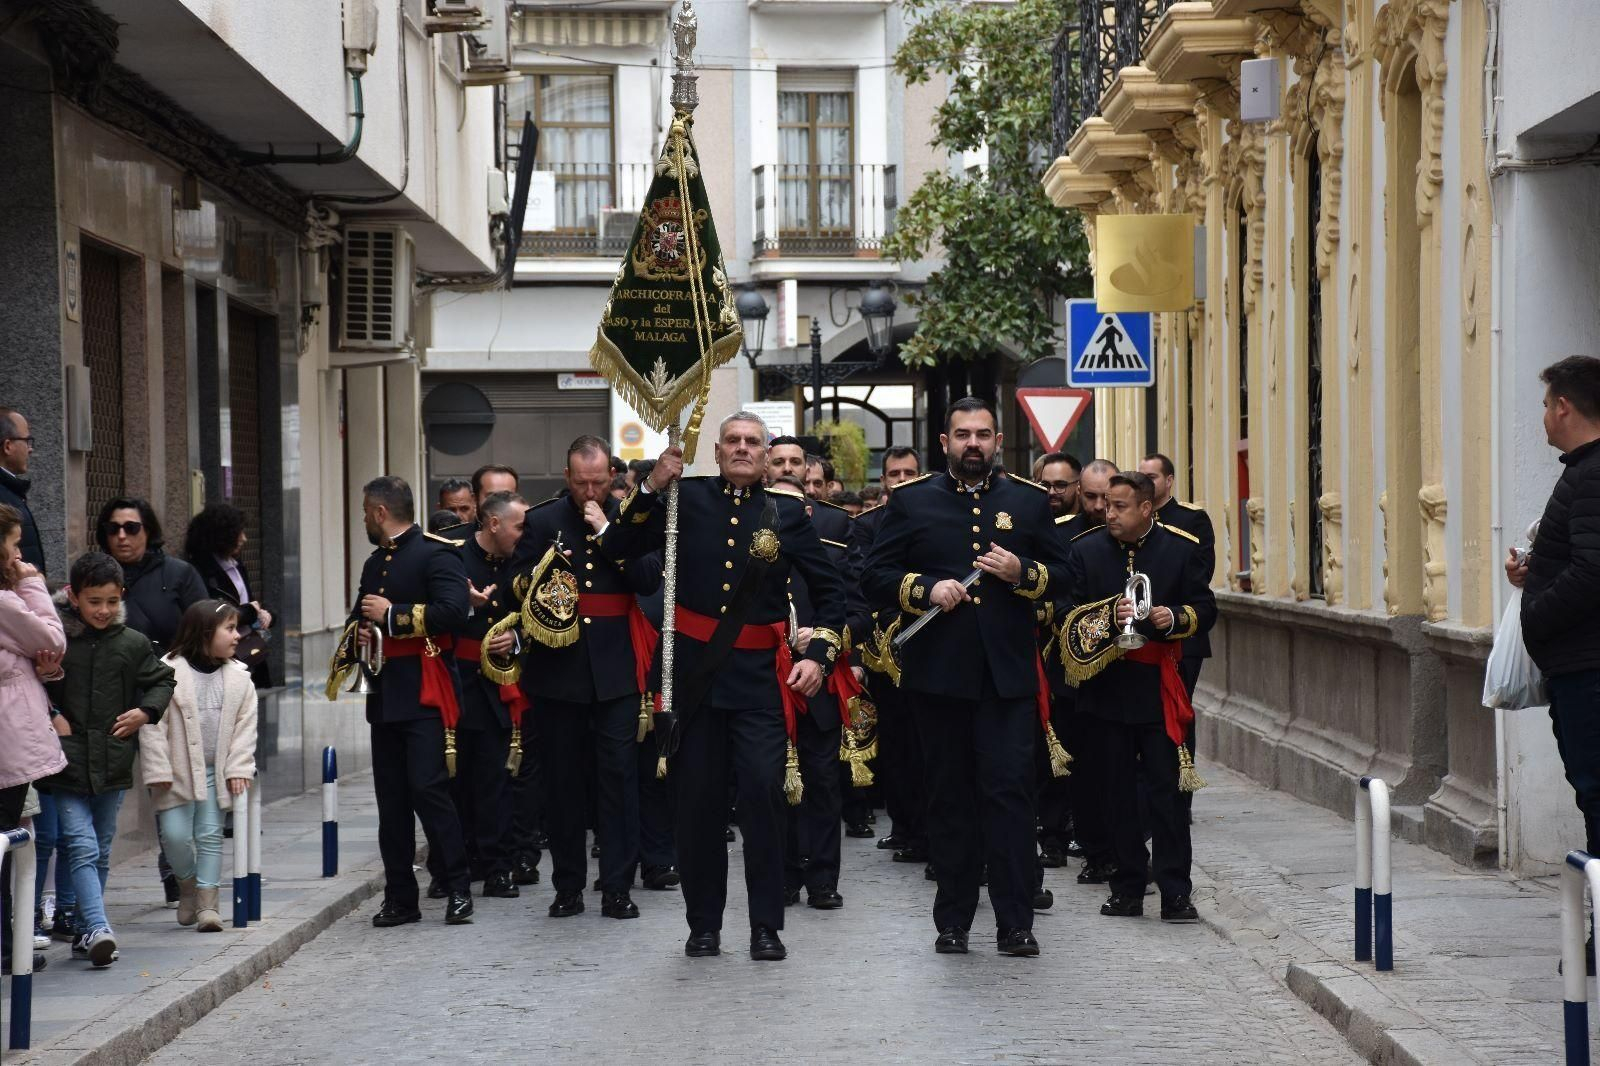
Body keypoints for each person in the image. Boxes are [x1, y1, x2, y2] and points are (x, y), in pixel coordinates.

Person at [612, 412, 846, 961]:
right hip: (694, 683)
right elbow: (619, 544)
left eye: (753, 443)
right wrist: (650, 485)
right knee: (698, 806)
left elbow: (832, 592)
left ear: (767, 456)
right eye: (733, 442)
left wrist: (819, 655)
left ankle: (766, 925)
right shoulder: (681, 500)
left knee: (765, 795)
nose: (742, 449)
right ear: (715, 451)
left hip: (758, 685)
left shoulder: (787, 514)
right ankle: (704, 924)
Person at [863, 397, 1066, 957]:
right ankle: (952, 920)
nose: (972, 443)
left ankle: (1015, 923)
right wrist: (924, 588)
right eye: (962, 434)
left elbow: (1066, 576)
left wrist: (1021, 572)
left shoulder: (1027, 501)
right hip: (939, 677)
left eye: (982, 434)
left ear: (998, 441)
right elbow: (873, 575)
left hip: (1006, 680)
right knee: (949, 798)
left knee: (1008, 797)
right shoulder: (911, 501)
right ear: (945, 442)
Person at [510, 438, 664, 921]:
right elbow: (518, 584)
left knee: (618, 781)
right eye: (581, 483)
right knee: (563, 784)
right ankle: (568, 885)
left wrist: (608, 533)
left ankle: (617, 884)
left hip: (616, 669)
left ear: (612, 475)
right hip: (560, 668)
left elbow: (648, 578)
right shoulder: (542, 520)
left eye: (599, 482)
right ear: (567, 475)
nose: (590, 491)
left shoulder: (632, 515)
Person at [1060, 472, 1215, 924]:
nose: (1109, 513)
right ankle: (1127, 886)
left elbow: (1206, 608)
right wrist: (1108, 616)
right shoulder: (1085, 550)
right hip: (1106, 690)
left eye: (1120, 506)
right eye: (1107, 504)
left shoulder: (1181, 548)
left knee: (1168, 795)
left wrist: (1176, 616)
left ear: (1146, 508)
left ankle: (1175, 892)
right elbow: (1067, 617)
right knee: (1117, 794)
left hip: (1158, 689)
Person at [339, 476, 475, 928]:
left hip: (424, 690)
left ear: (380, 512)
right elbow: (361, 611)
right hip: (385, 694)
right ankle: (401, 896)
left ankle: (457, 887)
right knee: (391, 802)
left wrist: (392, 617)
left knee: (429, 790)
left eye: (365, 511)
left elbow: (455, 612)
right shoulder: (376, 561)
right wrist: (358, 630)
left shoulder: (436, 554)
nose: (363, 518)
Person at [42, 551, 176, 966]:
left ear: (122, 596)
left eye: (111, 601)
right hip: (64, 764)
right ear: (74, 597)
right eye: (93, 601)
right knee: (81, 845)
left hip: (113, 763)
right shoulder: (56, 641)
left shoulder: (132, 643)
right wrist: (52, 713)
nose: (102, 610)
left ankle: (85, 929)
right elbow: (29, 685)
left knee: (99, 848)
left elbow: (161, 679)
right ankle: (99, 926)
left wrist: (145, 712)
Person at [1509, 356, 1600, 872]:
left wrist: (1536, 614)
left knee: (1596, 795)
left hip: (1588, 671)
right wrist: (1533, 569)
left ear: (1564, 407)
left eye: (1546, 405)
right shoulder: (1583, 473)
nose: (1543, 416)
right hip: (1578, 667)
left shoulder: (1591, 475)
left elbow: (1591, 573)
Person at [432, 491, 529, 902]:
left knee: (495, 781)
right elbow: (433, 613)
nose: (524, 534)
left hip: (502, 687)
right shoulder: (452, 559)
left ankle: (498, 866)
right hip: (456, 681)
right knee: (451, 782)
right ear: (492, 524)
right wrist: (465, 609)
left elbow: (542, 614)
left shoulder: (524, 562)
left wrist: (519, 639)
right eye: (518, 526)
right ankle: (451, 867)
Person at [140, 600, 257, 933]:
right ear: (206, 632)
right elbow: (152, 724)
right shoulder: (166, 671)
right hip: (175, 772)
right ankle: (187, 886)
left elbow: (245, 728)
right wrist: (158, 769)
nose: (237, 636)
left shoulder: (239, 678)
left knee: (209, 836)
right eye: (230, 629)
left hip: (214, 772)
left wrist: (238, 767)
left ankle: (208, 904)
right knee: (175, 836)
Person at [847, 445, 926, 862]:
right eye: (894, 474)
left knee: (928, 739)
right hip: (883, 646)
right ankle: (904, 825)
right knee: (895, 741)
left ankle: (929, 828)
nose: (901, 481)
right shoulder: (866, 526)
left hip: (928, 638)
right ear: (883, 481)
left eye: (909, 473)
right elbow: (864, 584)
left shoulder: (932, 516)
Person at [0, 503, 67, 974]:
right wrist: (33, 583)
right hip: (8, 739)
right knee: (5, 845)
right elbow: (51, 638)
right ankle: (6, 947)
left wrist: (41, 666)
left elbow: (39, 655)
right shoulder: (6, 601)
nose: (19, 553)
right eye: (14, 542)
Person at [1138, 453, 1215, 698]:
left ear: (1169, 480)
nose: (1146, 484)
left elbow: (1202, 572)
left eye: (1152, 477)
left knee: (1179, 709)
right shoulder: (1135, 518)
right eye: (1142, 478)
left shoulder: (1192, 518)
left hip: (1183, 632)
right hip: (1143, 634)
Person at [95, 497, 208, 658]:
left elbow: (205, 628)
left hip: (171, 673)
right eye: (113, 528)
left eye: (131, 528)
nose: (121, 535)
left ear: (148, 531)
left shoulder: (179, 573)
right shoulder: (93, 575)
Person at [184, 503, 275, 689]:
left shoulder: (236, 564)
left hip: (250, 652)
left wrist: (264, 614)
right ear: (222, 534)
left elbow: (247, 600)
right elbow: (210, 613)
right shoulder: (199, 570)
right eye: (238, 533)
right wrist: (249, 612)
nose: (244, 539)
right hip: (221, 658)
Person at [0, 408, 45, 571]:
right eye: (27, 441)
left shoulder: (11, 491)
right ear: (8, 446)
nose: (30, 449)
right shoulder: (5, 496)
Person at [1033, 452, 1082, 519]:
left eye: (1060, 485)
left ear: (1078, 486)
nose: (1051, 492)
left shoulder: (1092, 524)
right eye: (1046, 485)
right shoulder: (1033, 523)